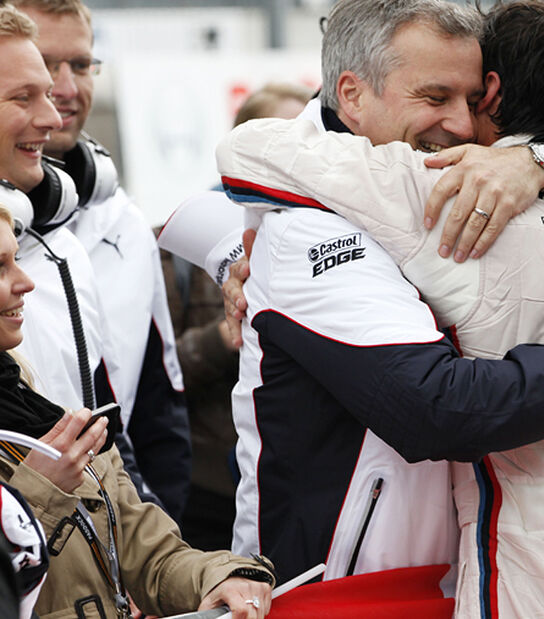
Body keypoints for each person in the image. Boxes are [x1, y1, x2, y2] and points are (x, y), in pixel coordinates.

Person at [180, 0, 544, 586]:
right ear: (352, 94)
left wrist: (538, 160)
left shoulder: (469, 179)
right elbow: (434, 409)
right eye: (436, 97)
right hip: (345, 589)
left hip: (460, 572)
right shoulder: (313, 221)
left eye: (473, 101)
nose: (466, 126)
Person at [0, 202, 275, 619]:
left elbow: (156, 562)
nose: (27, 283)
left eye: (17, 259)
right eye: (0, 268)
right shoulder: (47, 450)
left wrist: (222, 575)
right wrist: (37, 495)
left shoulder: (48, 414)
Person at [11, 0, 191, 520]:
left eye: (82, 65)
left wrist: (160, 562)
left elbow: (158, 413)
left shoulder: (124, 222)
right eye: (45, 66)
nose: (66, 88)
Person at [159, 81, 312, 551]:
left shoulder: (323, 235)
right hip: (209, 492)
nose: (300, 155)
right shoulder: (180, 245)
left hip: (297, 482)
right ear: (242, 144)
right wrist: (227, 336)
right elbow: (158, 375)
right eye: (282, 139)